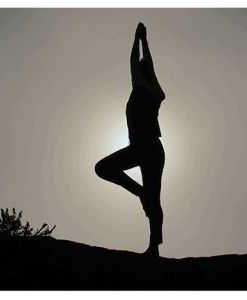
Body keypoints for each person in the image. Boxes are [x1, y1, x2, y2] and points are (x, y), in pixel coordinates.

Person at [95, 23, 166, 257]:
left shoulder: (141, 85)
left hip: (142, 144)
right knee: (154, 199)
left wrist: (137, 40)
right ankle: (154, 248)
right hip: (156, 148)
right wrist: (145, 41)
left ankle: (140, 193)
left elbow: (136, 61)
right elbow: (149, 64)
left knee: (102, 168)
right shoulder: (156, 91)